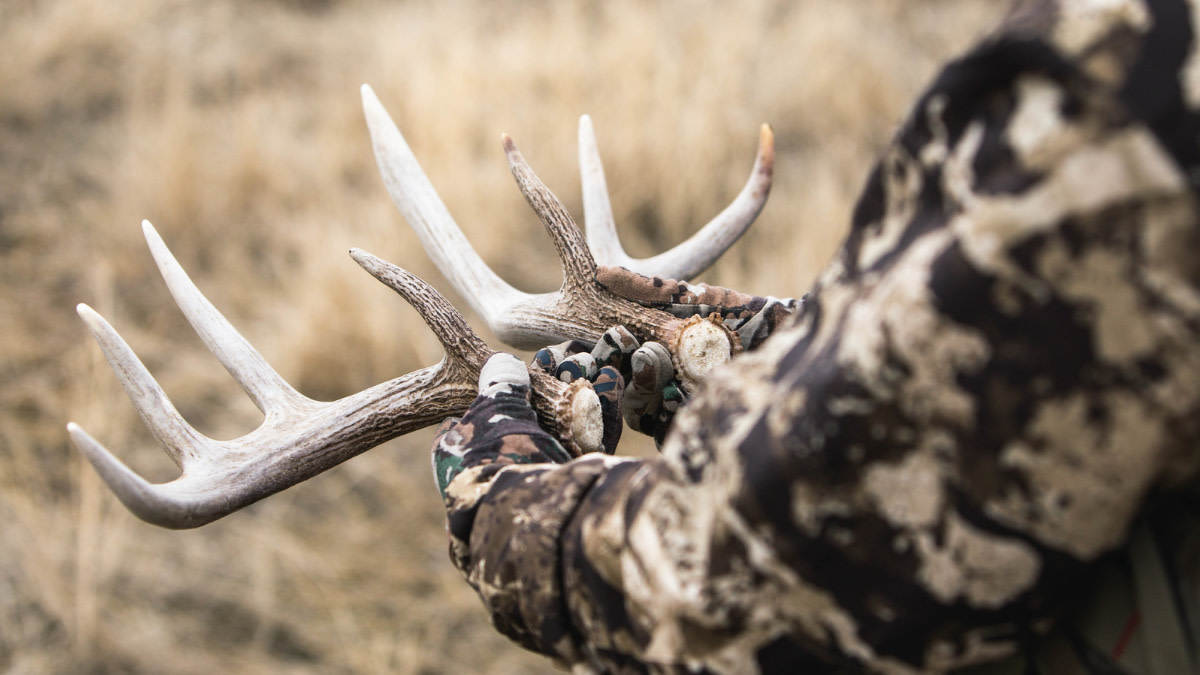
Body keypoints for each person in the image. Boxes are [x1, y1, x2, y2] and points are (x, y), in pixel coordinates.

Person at [431, 1, 1200, 672]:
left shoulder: (1132, 101)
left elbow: (745, 583)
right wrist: (803, 351)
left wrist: (503, 501)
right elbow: (1067, 359)